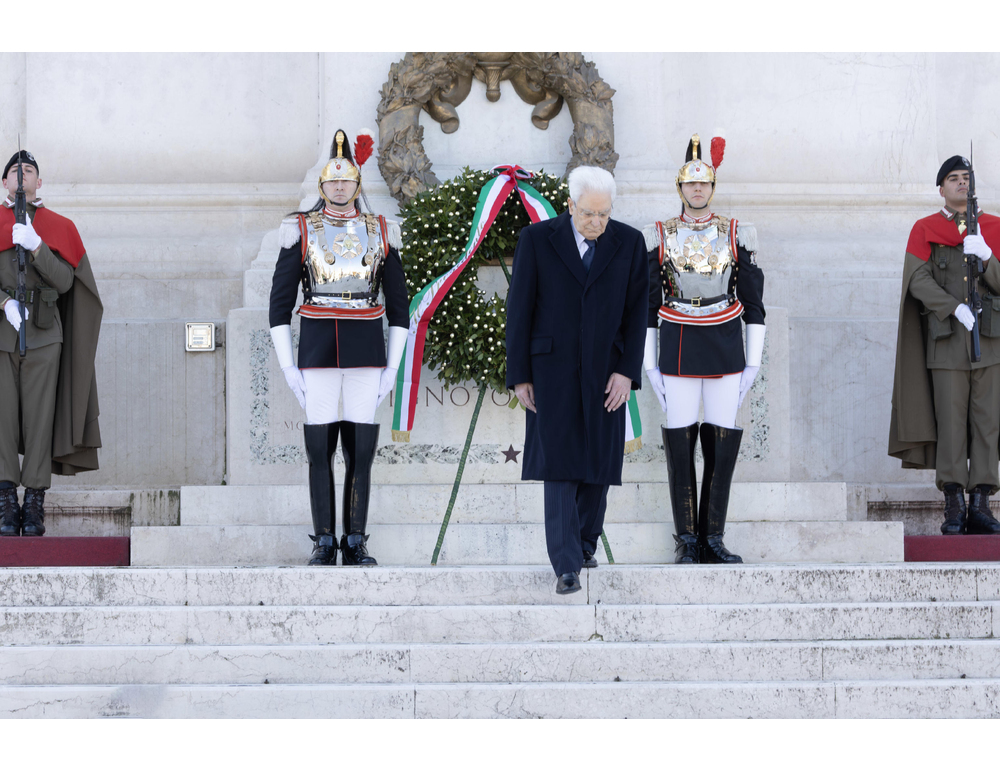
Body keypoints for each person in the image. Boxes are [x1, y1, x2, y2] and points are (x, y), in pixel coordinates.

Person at [506, 165, 648, 595]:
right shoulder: (536, 239)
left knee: (599, 465)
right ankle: (566, 563)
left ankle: (586, 543)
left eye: (604, 214)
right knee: (560, 465)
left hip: (608, 371)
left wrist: (627, 372)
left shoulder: (629, 242)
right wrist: (520, 375)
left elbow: (637, 313)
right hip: (551, 372)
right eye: (588, 214)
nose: (597, 223)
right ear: (570, 205)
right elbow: (520, 310)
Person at [269, 129, 408, 566]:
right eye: (333, 181)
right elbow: (279, 306)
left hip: (366, 349)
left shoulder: (382, 230)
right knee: (319, 447)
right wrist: (288, 367)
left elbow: (399, 308)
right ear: (323, 186)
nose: (341, 187)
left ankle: (356, 540)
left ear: (357, 184)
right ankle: (324, 541)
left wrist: (393, 367)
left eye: (347, 181)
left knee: (361, 449)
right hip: (318, 352)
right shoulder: (301, 230)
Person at [642, 134, 765, 564]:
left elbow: (754, 304)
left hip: (725, 341)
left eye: (704, 183)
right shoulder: (659, 235)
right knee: (679, 441)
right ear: (680, 188)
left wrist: (753, 360)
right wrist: (648, 363)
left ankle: (713, 537)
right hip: (676, 338)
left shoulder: (736, 232)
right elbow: (647, 303)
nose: (697, 190)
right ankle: (687, 540)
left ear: (712, 187)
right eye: (690, 184)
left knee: (721, 440)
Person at [889, 155, 1000, 536]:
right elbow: (917, 280)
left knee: (987, 423)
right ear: (941, 188)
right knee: (951, 424)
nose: (961, 184)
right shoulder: (926, 228)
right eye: (953, 178)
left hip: (990, 341)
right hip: (948, 342)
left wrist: (987, 257)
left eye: (966, 178)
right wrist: (952, 307)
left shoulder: (994, 227)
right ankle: (953, 503)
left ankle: (982, 503)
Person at [0, 150, 103, 537]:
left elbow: (64, 283)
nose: (22, 176)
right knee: (3, 419)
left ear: (39, 183)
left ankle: (35, 502)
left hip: (44, 334)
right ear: (5, 182)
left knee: (41, 419)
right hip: (3, 329)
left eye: (29, 171)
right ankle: (7, 501)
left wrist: (38, 247)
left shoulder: (59, 227)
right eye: (15, 171)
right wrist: (4, 302)